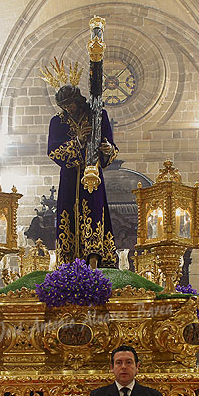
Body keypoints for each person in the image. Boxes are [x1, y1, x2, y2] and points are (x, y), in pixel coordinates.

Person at [47, 84, 118, 269]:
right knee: (67, 217)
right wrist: (78, 140)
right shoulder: (58, 122)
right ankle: (68, 265)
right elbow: (53, 152)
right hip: (69, 180)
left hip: (92, 176)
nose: (69, 108)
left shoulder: (97, 115)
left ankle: (95, 261)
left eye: (71, 104)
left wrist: (108, 149)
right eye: (65, 105)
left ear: (78, 99)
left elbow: (111, 146)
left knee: (94, 214)